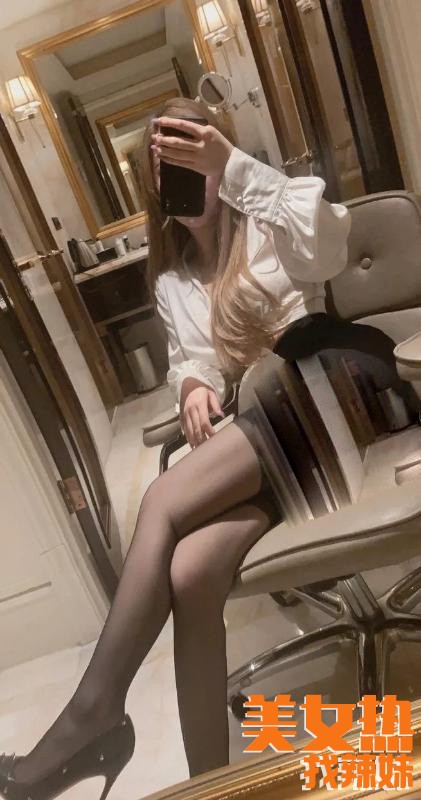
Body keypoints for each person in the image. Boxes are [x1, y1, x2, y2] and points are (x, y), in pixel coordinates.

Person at [0, 97, 416, 800]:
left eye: (192, 152)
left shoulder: (270, 218)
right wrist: (193, 386)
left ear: (216, 148)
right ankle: (211, 787)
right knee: (192, 572)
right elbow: (191, 361)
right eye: (165, 166)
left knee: (164, 498)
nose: (181, 174)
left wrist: (235, 168)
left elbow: (328, 245)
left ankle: (91, 714)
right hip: (273, 435)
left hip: (342, 388)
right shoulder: (172, 281)